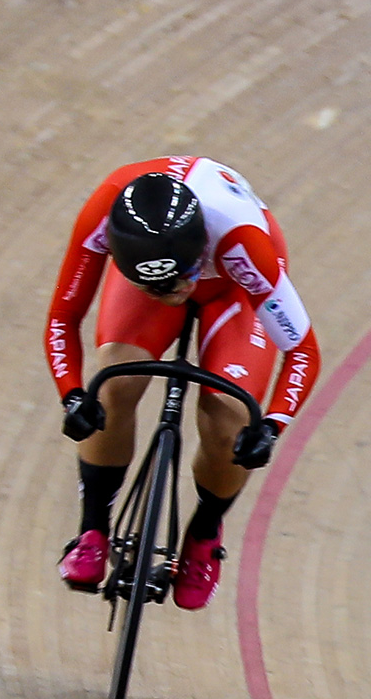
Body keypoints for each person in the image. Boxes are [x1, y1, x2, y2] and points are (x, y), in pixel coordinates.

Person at [47, 157, 321, 609]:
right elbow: (63, 317)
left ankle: (204, 532)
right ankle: (91, 528)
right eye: (160, 287)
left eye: (185, 277)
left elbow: (303, 351)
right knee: (112, 387)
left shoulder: (243, 242)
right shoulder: (105, 212)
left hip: (233, 286)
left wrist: (272, 425)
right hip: (162, 264)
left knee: (230, 423)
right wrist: (73, 396)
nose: (176, 290)